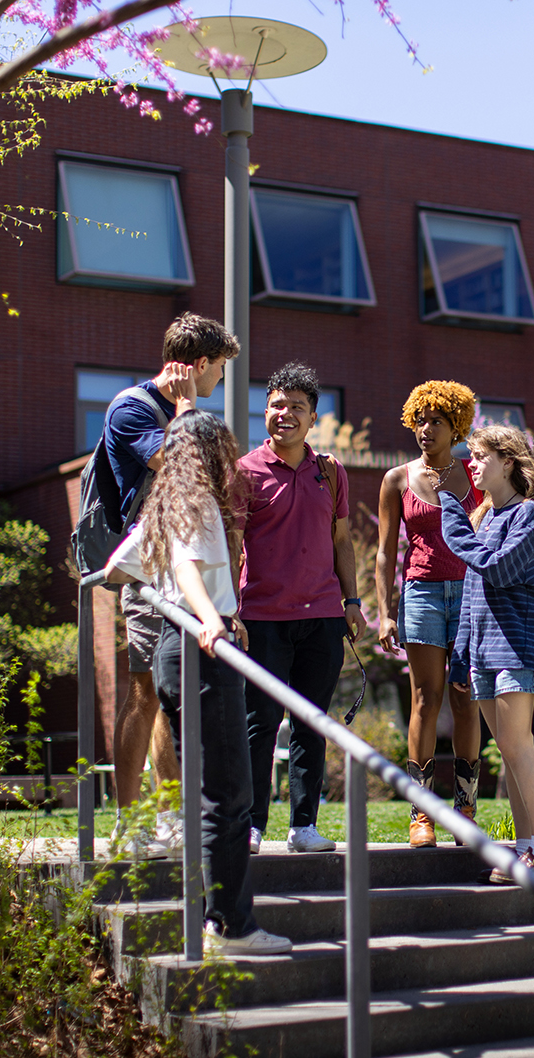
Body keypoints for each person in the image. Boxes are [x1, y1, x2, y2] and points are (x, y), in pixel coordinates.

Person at [104, 410, 290, 954]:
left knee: (208, 790)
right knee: (229, 792)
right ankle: (230, 926)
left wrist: (193, 607)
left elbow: (118, 567)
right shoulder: (197, 501)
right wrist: (212, 617)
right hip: (202, 650)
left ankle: (214, 919)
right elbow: (187, 567)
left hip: (170, 647)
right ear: (213, 452)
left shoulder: (162, 502)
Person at [103, 313, 240, 856]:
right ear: (200, 365)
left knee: (173, 692)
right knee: (145, 689)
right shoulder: (132, 408)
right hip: (149, 568)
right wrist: (186, 412)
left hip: (184, 561)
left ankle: (171, 817)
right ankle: (128, 820)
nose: (220, 382)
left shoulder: (185, 410)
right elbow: (174, 462)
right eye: (220, 371)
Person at [234, 362, 367, 854]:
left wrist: (351, 601)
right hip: (263, 618)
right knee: (260, 723)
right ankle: (251, 824)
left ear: (313, 418)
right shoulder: (244, 472)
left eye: (296, 407)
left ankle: (303, 826)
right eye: (276, 405)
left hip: (323, 617)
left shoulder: (329, 471)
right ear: (264, 411)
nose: (284, 414)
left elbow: (341, 539)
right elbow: (231, 545)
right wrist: (228, 608)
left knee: (312, 722)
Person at [440, 425, 534, 883]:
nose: (470, 464)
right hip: (485, 652)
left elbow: (498, 569)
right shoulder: (484, 520)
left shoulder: (527, 515)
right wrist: (461, 656)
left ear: (508, 461)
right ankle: (528, 848)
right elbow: (473, 597)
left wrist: (451, 515)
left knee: (519, 746)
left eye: (479, 456)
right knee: (511, 754)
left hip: (521, 647)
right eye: (469, 457)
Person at [376, 381, 485, 848]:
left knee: (466, 699)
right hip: (419, 594)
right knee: (426, 699)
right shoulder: (396, 479)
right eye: (420, 419)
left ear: (456, 426)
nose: (426, 428)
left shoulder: (475, 476)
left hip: (468, 595)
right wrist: (384, 613)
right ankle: (422, 815)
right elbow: (384, 553)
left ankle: (465, 808)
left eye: (437, 421)